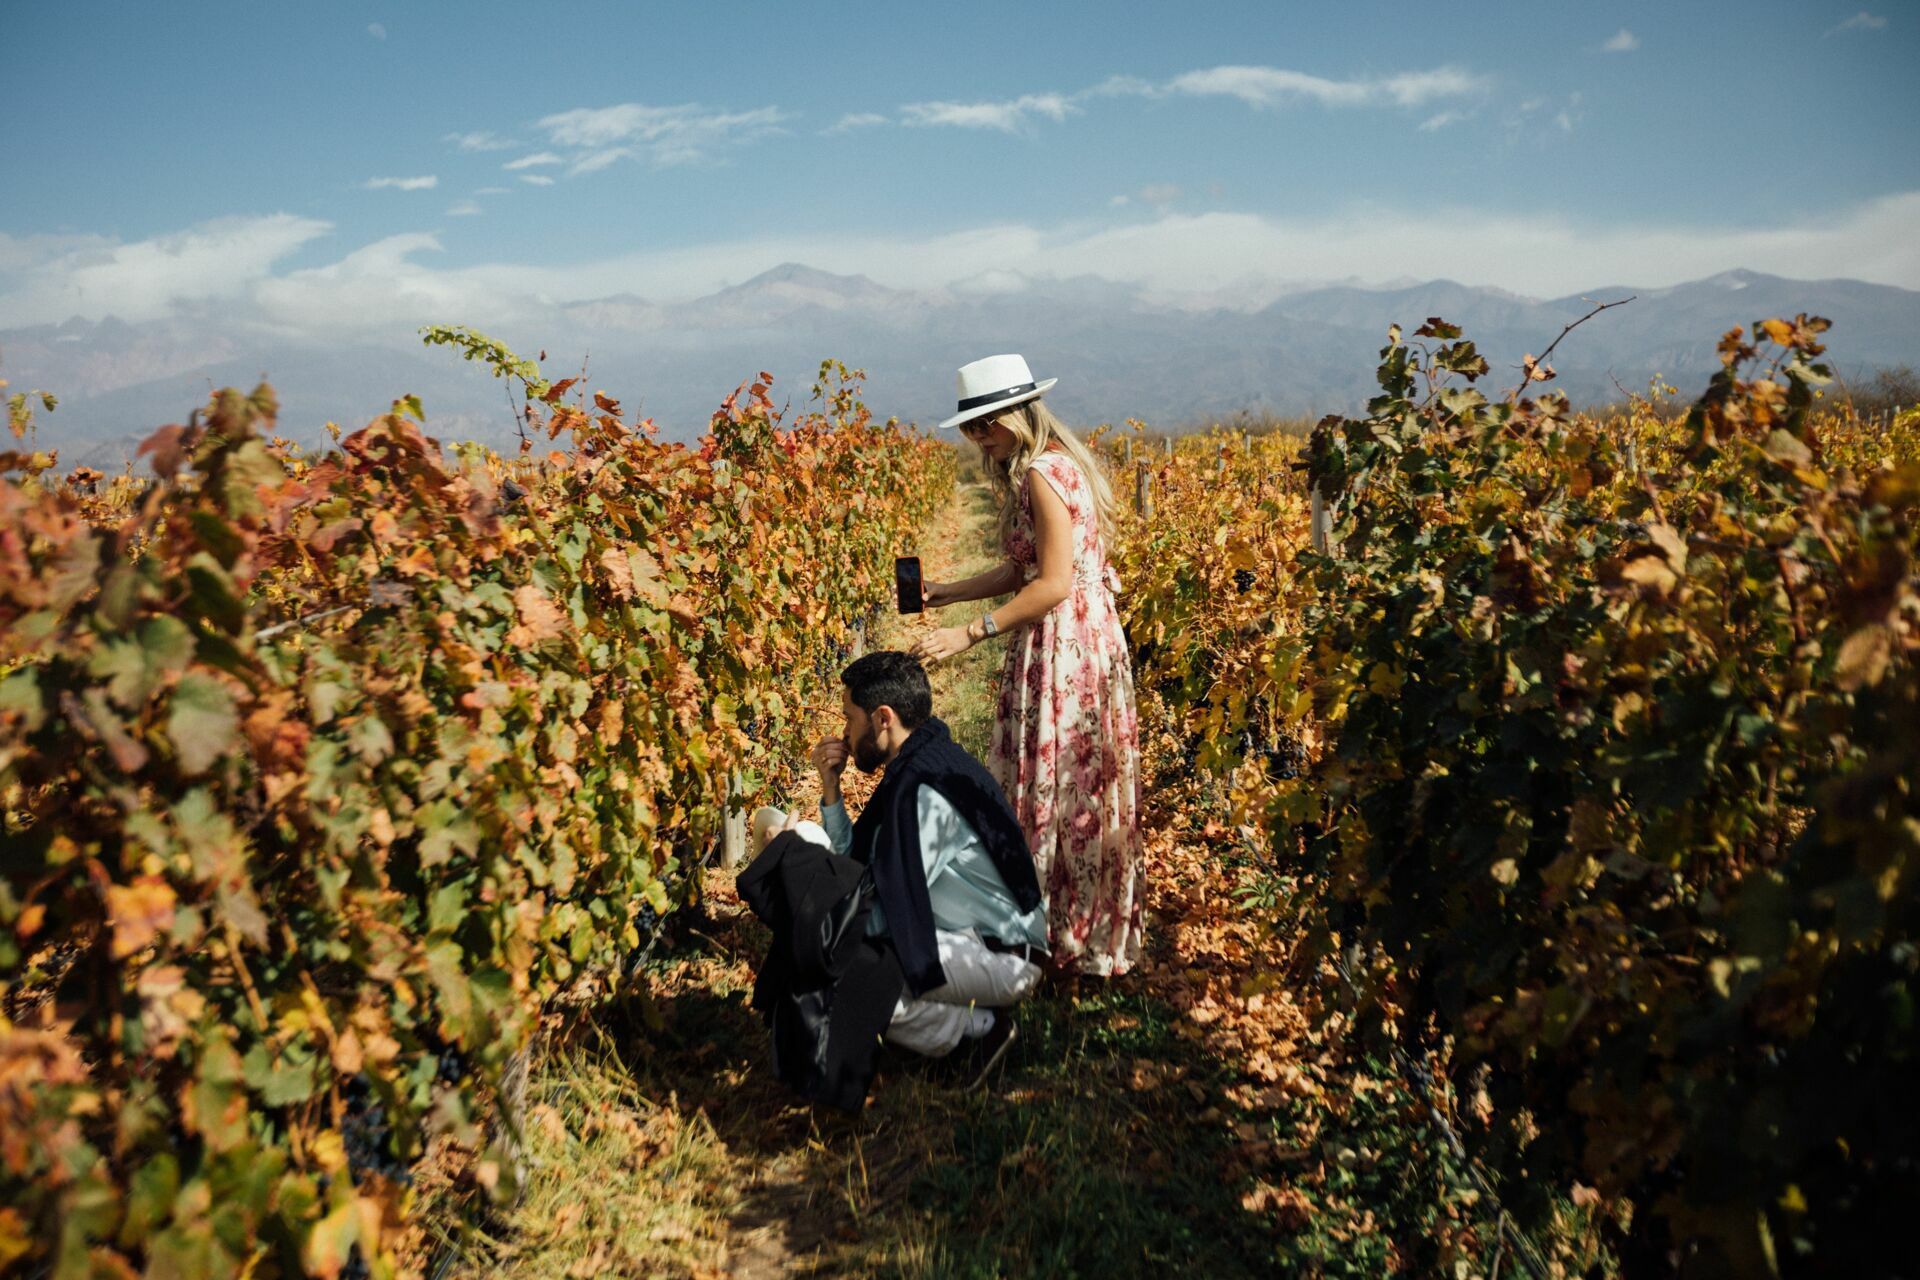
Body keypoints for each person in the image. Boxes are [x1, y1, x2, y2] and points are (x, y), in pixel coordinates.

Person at [909, 354, 1145, 979]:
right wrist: (946, 590)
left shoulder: (1042, 473)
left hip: (1066, 642)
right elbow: (1022, 570)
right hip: (1081, 637)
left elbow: (1055, 585)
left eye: (988, 423)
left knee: (1061, 776)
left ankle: (1056, 933)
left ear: (1019, 413)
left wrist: (968, 633)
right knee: (1076, 779)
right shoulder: (1043, 469)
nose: (979, 436)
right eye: (971, 427)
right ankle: (1064, 923)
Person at [749, 651, 1048, 1084]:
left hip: (1003, 955)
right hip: (974, 939)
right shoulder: (919, 760)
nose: (845, 734)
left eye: (850, 718)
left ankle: (977, 1033)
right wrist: (830, 791)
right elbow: (864, 863)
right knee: (837, 940)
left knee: (838, 968)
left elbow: (882, 916)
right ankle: (957, 1014)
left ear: (882, 717)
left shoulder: (924, 793)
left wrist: (800, 878)